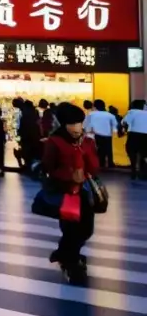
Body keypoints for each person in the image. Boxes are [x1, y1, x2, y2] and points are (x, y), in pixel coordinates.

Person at [41, 102, 100, 285]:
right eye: (73, 123)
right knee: (71, 230)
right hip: (66, 193)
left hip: (85, 192)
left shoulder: (88, 141)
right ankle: (71, 263)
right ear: (63, 124)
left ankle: (62, 253)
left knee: (87, 229)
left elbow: (95, 167)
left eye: (79, 123)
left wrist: (84, 152)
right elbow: (48, 167)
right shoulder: (55, 141)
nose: (77, 127)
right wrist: (66, 173)